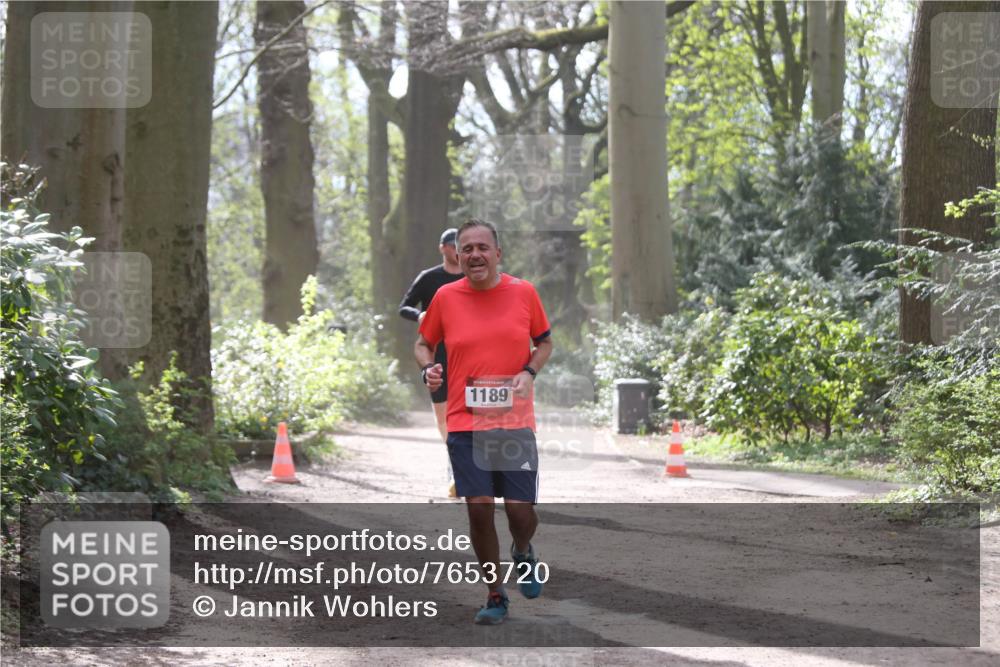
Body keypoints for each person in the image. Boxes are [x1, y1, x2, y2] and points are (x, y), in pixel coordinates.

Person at [414, 219, 553, 625]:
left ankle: (523, 551)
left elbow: (544, 341)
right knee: (478, 510)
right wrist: (429, 369)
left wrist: (528, 371)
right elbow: (424, 342)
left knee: (519, 511)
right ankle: (495, 594)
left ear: (497, 254)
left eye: (482, 247)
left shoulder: (523, 292)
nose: (474, 254)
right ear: (457, 255)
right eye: (466, 248)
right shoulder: (444, 297)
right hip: (464, 421)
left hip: (513, 421)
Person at [399, 228, 464, 497]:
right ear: (442, 248)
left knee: (469, 410)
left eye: (461, 244)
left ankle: (462, 468)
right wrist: (421, 315)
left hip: (467, 354)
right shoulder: (429, 278)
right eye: (452, 245)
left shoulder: (472, 278)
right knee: (443, 416)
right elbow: (404, 306)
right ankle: (454, 461)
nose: (457, 250)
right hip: (435, 354)